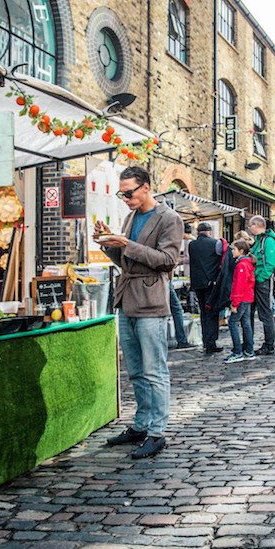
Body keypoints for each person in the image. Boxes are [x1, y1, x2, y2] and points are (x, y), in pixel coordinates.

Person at [98, 166, 183, 459]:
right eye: (122, 193)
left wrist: (126, 243)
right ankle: (141, 424)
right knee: (135, 370)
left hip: (150, 300)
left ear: (146, 187)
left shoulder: (170, 219)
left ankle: (157, 432)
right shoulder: (130, 217)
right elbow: (126, 260)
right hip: (127, 299)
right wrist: (109, 244)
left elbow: (167, 260)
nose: (125, 198)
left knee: (154, 370)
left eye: (129, 192)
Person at [188, 222, 225, 354]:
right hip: (211, 283)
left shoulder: (191, 245)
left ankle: (205, 341)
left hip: (197, 283)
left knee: (203, 312)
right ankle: (211, 342)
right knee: (212, 312)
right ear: (209, 231)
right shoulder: (216, 243)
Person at [247, 215, 275, 355]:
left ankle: (269, 344)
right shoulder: (259, 241)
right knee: (249, 313)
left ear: (256, 225)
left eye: (250, 226)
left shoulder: (268, 241)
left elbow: (270, 263)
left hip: (262, 281)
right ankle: (248, 343)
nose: (249, 228)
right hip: (255, 281)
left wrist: (260, 278)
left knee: (265, 313)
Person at [224, 239, 256, 363]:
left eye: (234, 249)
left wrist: (234, 303)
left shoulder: (241, 265)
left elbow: (239, 285)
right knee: (246, 323)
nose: (232, 251)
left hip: (242, 298)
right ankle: (249, 349)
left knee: (233, 322)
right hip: (247, 297)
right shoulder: (247, 263)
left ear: (241, 251)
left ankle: (237, 351)